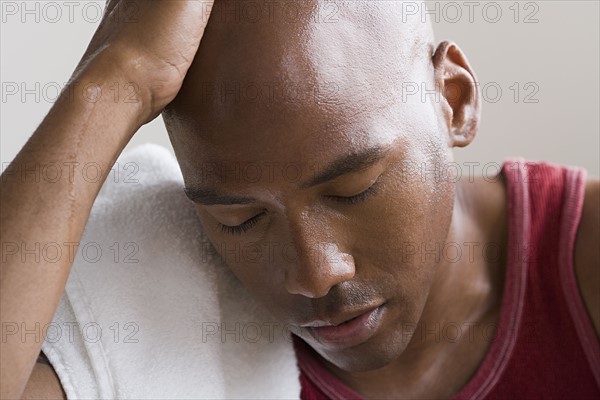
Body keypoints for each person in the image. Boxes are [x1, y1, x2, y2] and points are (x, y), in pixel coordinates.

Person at [1, 0, 598, 399]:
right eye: (242, 219)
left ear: (455, 100)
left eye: (353, 189)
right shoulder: (172, 295)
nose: (315, 274)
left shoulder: (581, 260)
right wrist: (111, 83)